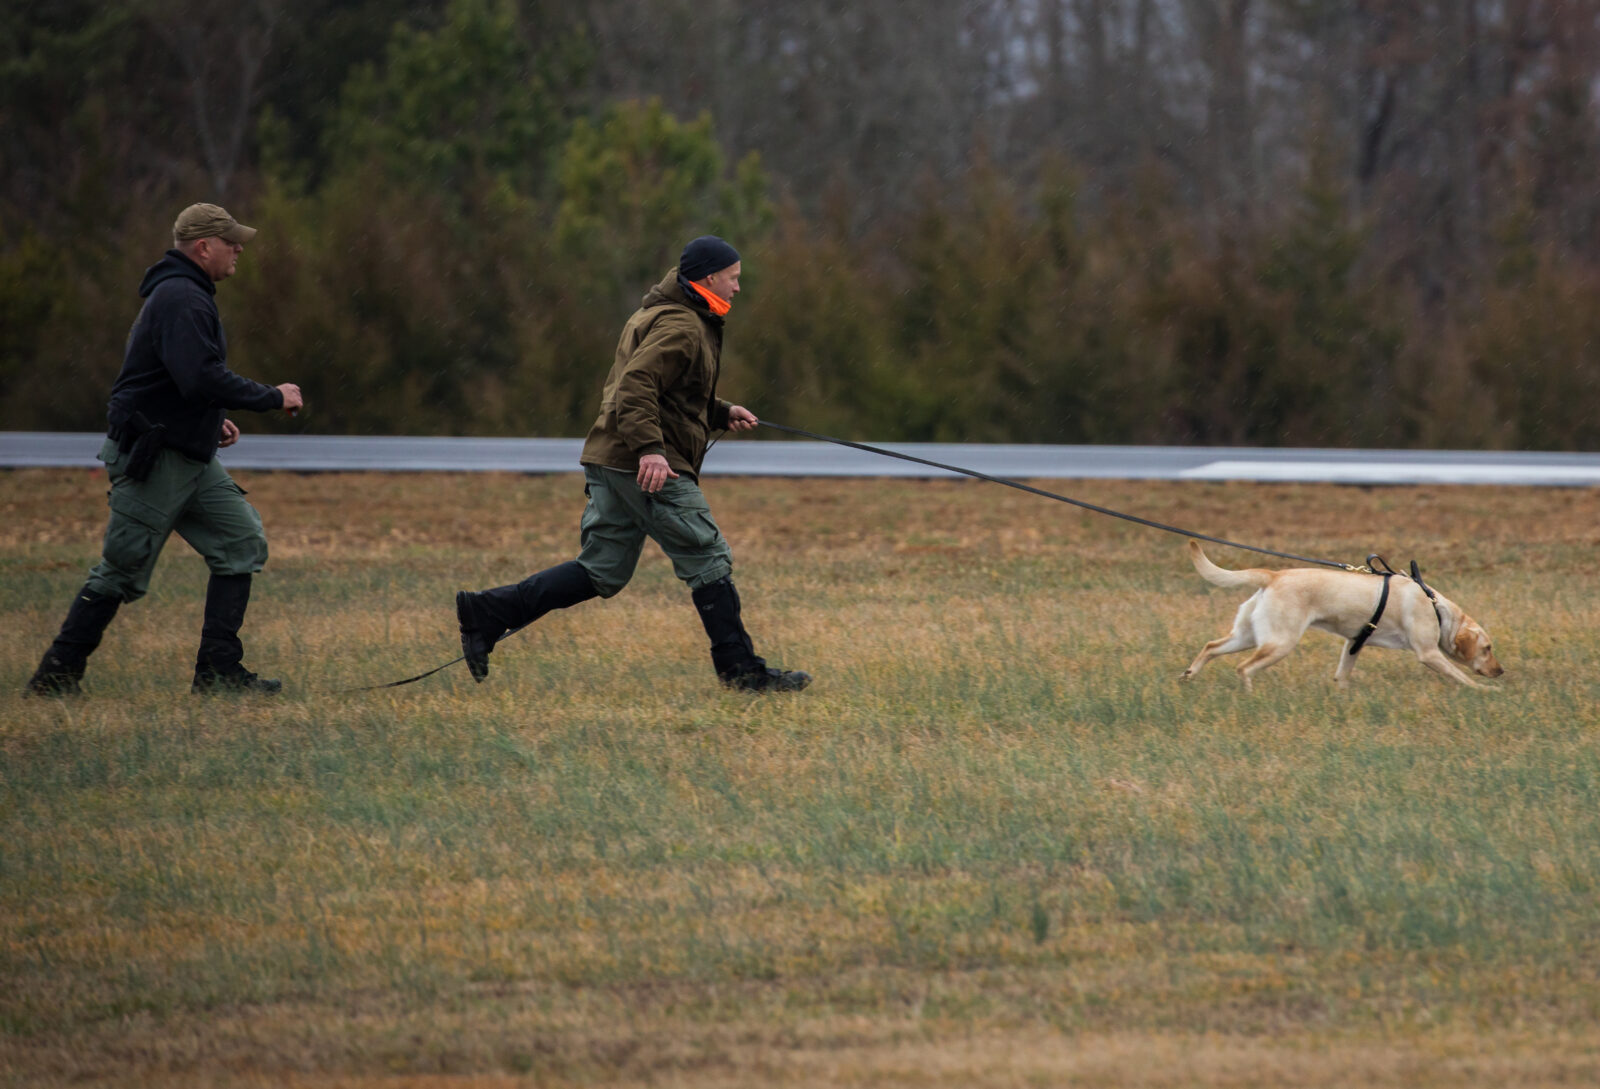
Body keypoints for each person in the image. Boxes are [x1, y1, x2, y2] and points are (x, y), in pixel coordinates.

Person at [455, 235, 810, 692]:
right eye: (733, 278)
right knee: (708, 558)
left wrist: (720, 412)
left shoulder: (662, 313)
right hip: (643, 463)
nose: (738, 287)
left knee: (601, 570)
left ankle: (488, 611)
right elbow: (636, 386)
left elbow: (671, 391)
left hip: (613, 458)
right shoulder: (682, 325)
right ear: (708, 279)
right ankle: (742, 673)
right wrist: (651, 450)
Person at [24, 203, 304, 697]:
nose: (239, 249)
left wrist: (209, 421)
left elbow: (179, 380)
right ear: (204, 247)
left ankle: (218, 674)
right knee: (121, 569)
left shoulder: (188, 294)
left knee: (240, 542)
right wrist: (271, 396)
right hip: (155, 459)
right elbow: (199, 377)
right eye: (231, 242)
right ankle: (54, 679)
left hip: (188, 453)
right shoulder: (181, 297)